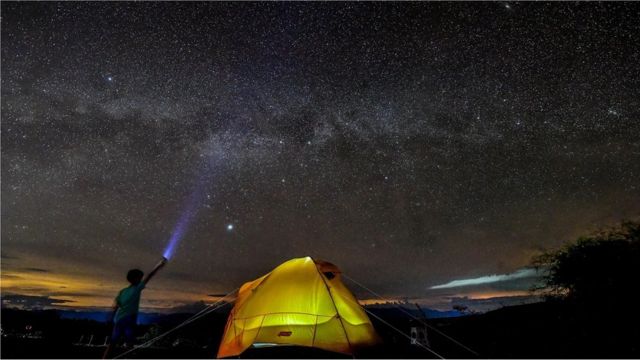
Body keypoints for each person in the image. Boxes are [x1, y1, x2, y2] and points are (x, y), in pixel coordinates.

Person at [102, 257, 167, 359]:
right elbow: (149, 276)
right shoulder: (137, 288)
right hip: (129, 319)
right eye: (139, 277)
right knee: (129, 344)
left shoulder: (122, 291)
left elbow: (115, 307)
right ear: (135, 279)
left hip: (119, 319)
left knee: (113, 343)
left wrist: (110, 318)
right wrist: (159, 265)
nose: (141, 279)